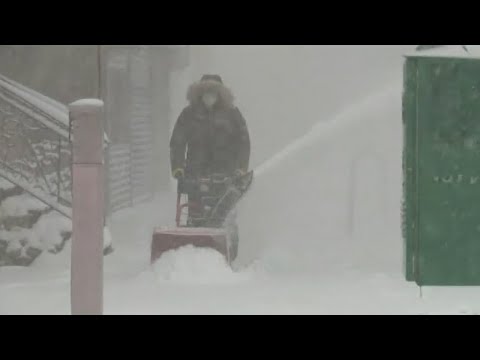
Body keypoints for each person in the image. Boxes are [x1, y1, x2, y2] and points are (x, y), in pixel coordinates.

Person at [169, 74, 251, 260]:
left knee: (226, 214)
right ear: (199, 94)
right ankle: (192, 250)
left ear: (220, 94)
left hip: (225, 174)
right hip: (194, 173)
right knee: (195, 212)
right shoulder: (189, 115)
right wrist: (178, 167)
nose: (209, 97)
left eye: (213, 93)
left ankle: (228, 254)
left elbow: (243, 142)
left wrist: (241, 168)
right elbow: (178, 142)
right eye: (206, 93)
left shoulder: (233, 115)